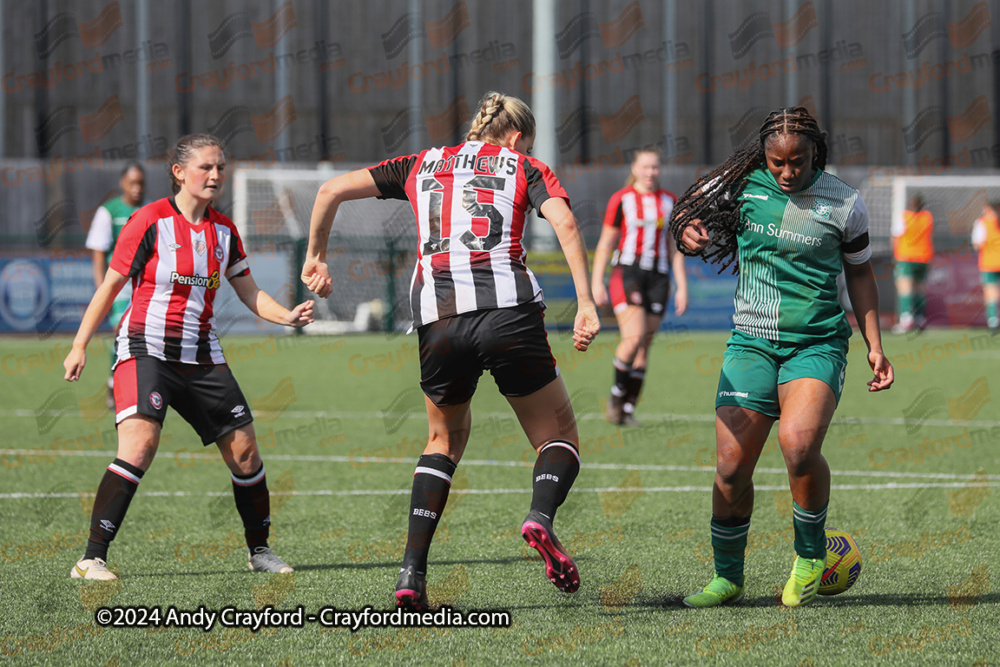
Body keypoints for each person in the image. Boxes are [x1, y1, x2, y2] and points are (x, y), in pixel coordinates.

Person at [301, 91, 600, 609]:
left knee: (443, 439)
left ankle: (411, 574)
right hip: (509, 312)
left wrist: (316, 256)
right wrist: (587, 301)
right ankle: (540, 517)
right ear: (515, 137)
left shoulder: (420, 163)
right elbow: (567, 224)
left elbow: (330, 189)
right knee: (558, 434)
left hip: (438, 317)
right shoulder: (526, 166)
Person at [668, 107, 893, 608]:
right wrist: (685, 232)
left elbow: (859, 273)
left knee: (798, 445)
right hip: (751, 341)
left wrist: (875, 345)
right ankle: (728, 578)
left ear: (817, 152)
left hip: (816, 343)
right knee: (730, 466)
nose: (788, 172)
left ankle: (810, 557)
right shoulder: (741, 185)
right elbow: (683, 214)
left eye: (799, 161)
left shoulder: (845, 203)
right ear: (763, 157)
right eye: (778, 163)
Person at [64, 134, 315, 580]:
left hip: (202, 355)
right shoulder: (148, 221)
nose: (216, 175)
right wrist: (80, 344)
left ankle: (260, 551)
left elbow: (249, 291)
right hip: (146, 349)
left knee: (245, 452)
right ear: (179, 172)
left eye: (221, 167)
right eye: (206, 167)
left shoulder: (224, 230)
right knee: (139, 445)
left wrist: (287, 315)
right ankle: (91, 558)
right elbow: (110, 287)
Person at [591, 146, 688, 425]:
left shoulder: (670, 201)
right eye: (645, 167)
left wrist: (681, 286)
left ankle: (628, 410)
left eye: (655, 167)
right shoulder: (622, 199)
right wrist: (597, 281)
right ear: (634, 169)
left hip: (658, 277)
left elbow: (675, 250)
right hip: (628, 272)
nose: (650, 172)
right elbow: (606, 244)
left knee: (644, 346)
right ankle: (616, 396)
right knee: (632, 339)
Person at [85, 161, 146, 408]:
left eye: (141, 183)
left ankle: (134, 385)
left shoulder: (150, 210)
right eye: (132, 183)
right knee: (123, 332)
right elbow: (98, 252)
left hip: (145, 285)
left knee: (140, 336)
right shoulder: (108, 211)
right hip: (119, 286)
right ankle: (116, 384)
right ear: (122, 183)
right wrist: (103, 290)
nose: (137, 188)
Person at [891, 193, 933, 333]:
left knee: (905, 288)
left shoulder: (904, 216)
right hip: (923, 257)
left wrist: (894, 255)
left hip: (906, 256)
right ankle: (920, 318)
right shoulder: (928, 217)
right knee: (919, 288)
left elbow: (896, 236)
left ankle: (906, 319)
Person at [971, 201, 1000, 332]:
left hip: (989, 263)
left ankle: (993, 320)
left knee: (990, 294)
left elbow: (977, 244)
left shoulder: (982, 222)